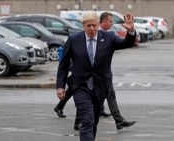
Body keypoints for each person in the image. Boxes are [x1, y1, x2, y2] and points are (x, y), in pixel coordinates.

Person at [56, 11, 136, 141]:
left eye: (94, 25)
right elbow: (64, 64)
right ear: (83, 26)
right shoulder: (74, 39)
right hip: (80, 86)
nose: (91, 29)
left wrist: (131, 31)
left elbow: (127, 43)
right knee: (87, 119)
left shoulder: (109, 37)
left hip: (100, 87)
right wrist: (60, 86)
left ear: (98, 25)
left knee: (93, 121)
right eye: (88, 26)